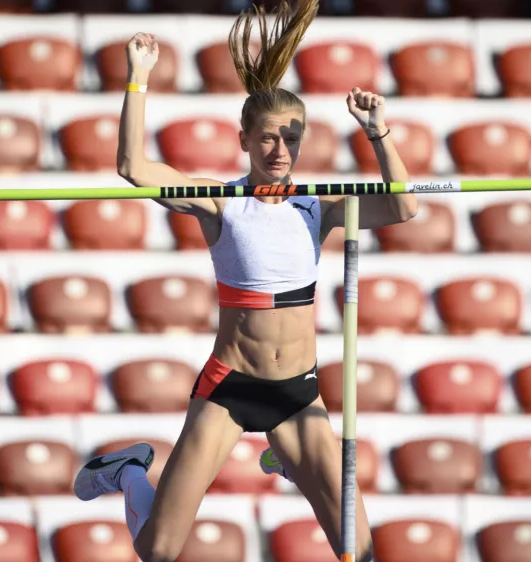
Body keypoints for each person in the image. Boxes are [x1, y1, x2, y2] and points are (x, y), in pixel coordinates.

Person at [70, 1, 417, 560]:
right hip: (228, 391)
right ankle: (129, 472)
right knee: (157, 550)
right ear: (244, 141)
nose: (280, 152)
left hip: (298, 396)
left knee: (361, 552)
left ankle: (286, 457)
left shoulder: (318, 204)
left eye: (292, 140)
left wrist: (380, 134)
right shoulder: (222, 203)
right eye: (268, 140)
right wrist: (137, 80)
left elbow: (402, 208)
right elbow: (133, 167)